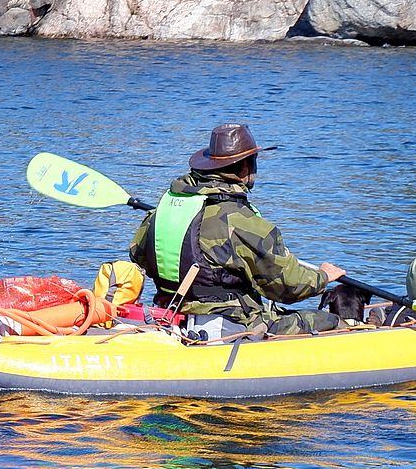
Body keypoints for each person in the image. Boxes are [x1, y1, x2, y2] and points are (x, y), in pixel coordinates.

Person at [129, 123, 346, 337]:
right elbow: (288, 287)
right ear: (244, 167)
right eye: (254, 162)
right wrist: (323, 276)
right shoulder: (241, 221)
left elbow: (138, 254)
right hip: (232, 325)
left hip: (171, 315)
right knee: (332, 322)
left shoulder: (164, 210)